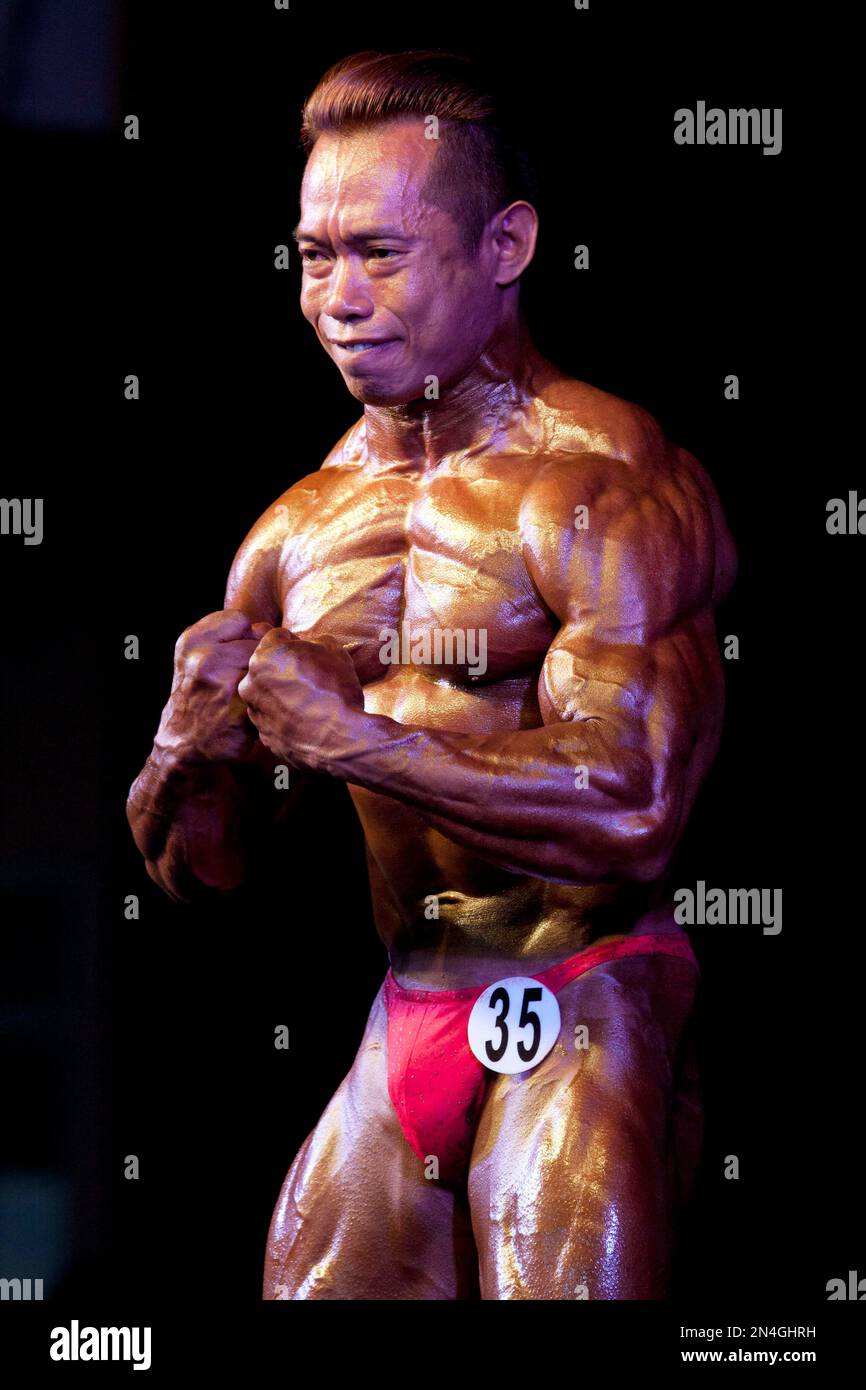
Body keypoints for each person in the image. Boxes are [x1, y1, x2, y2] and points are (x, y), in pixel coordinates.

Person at [127, 50, 737, 1300]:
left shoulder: (604, 484)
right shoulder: (293, 530)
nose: (337, 298)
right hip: (406, 999)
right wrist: (190, 749)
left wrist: (349, 740)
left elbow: (632, 807)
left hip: (582, 984)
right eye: (312, 256)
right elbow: (204, 872)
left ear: (505, 247)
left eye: (380, 254)